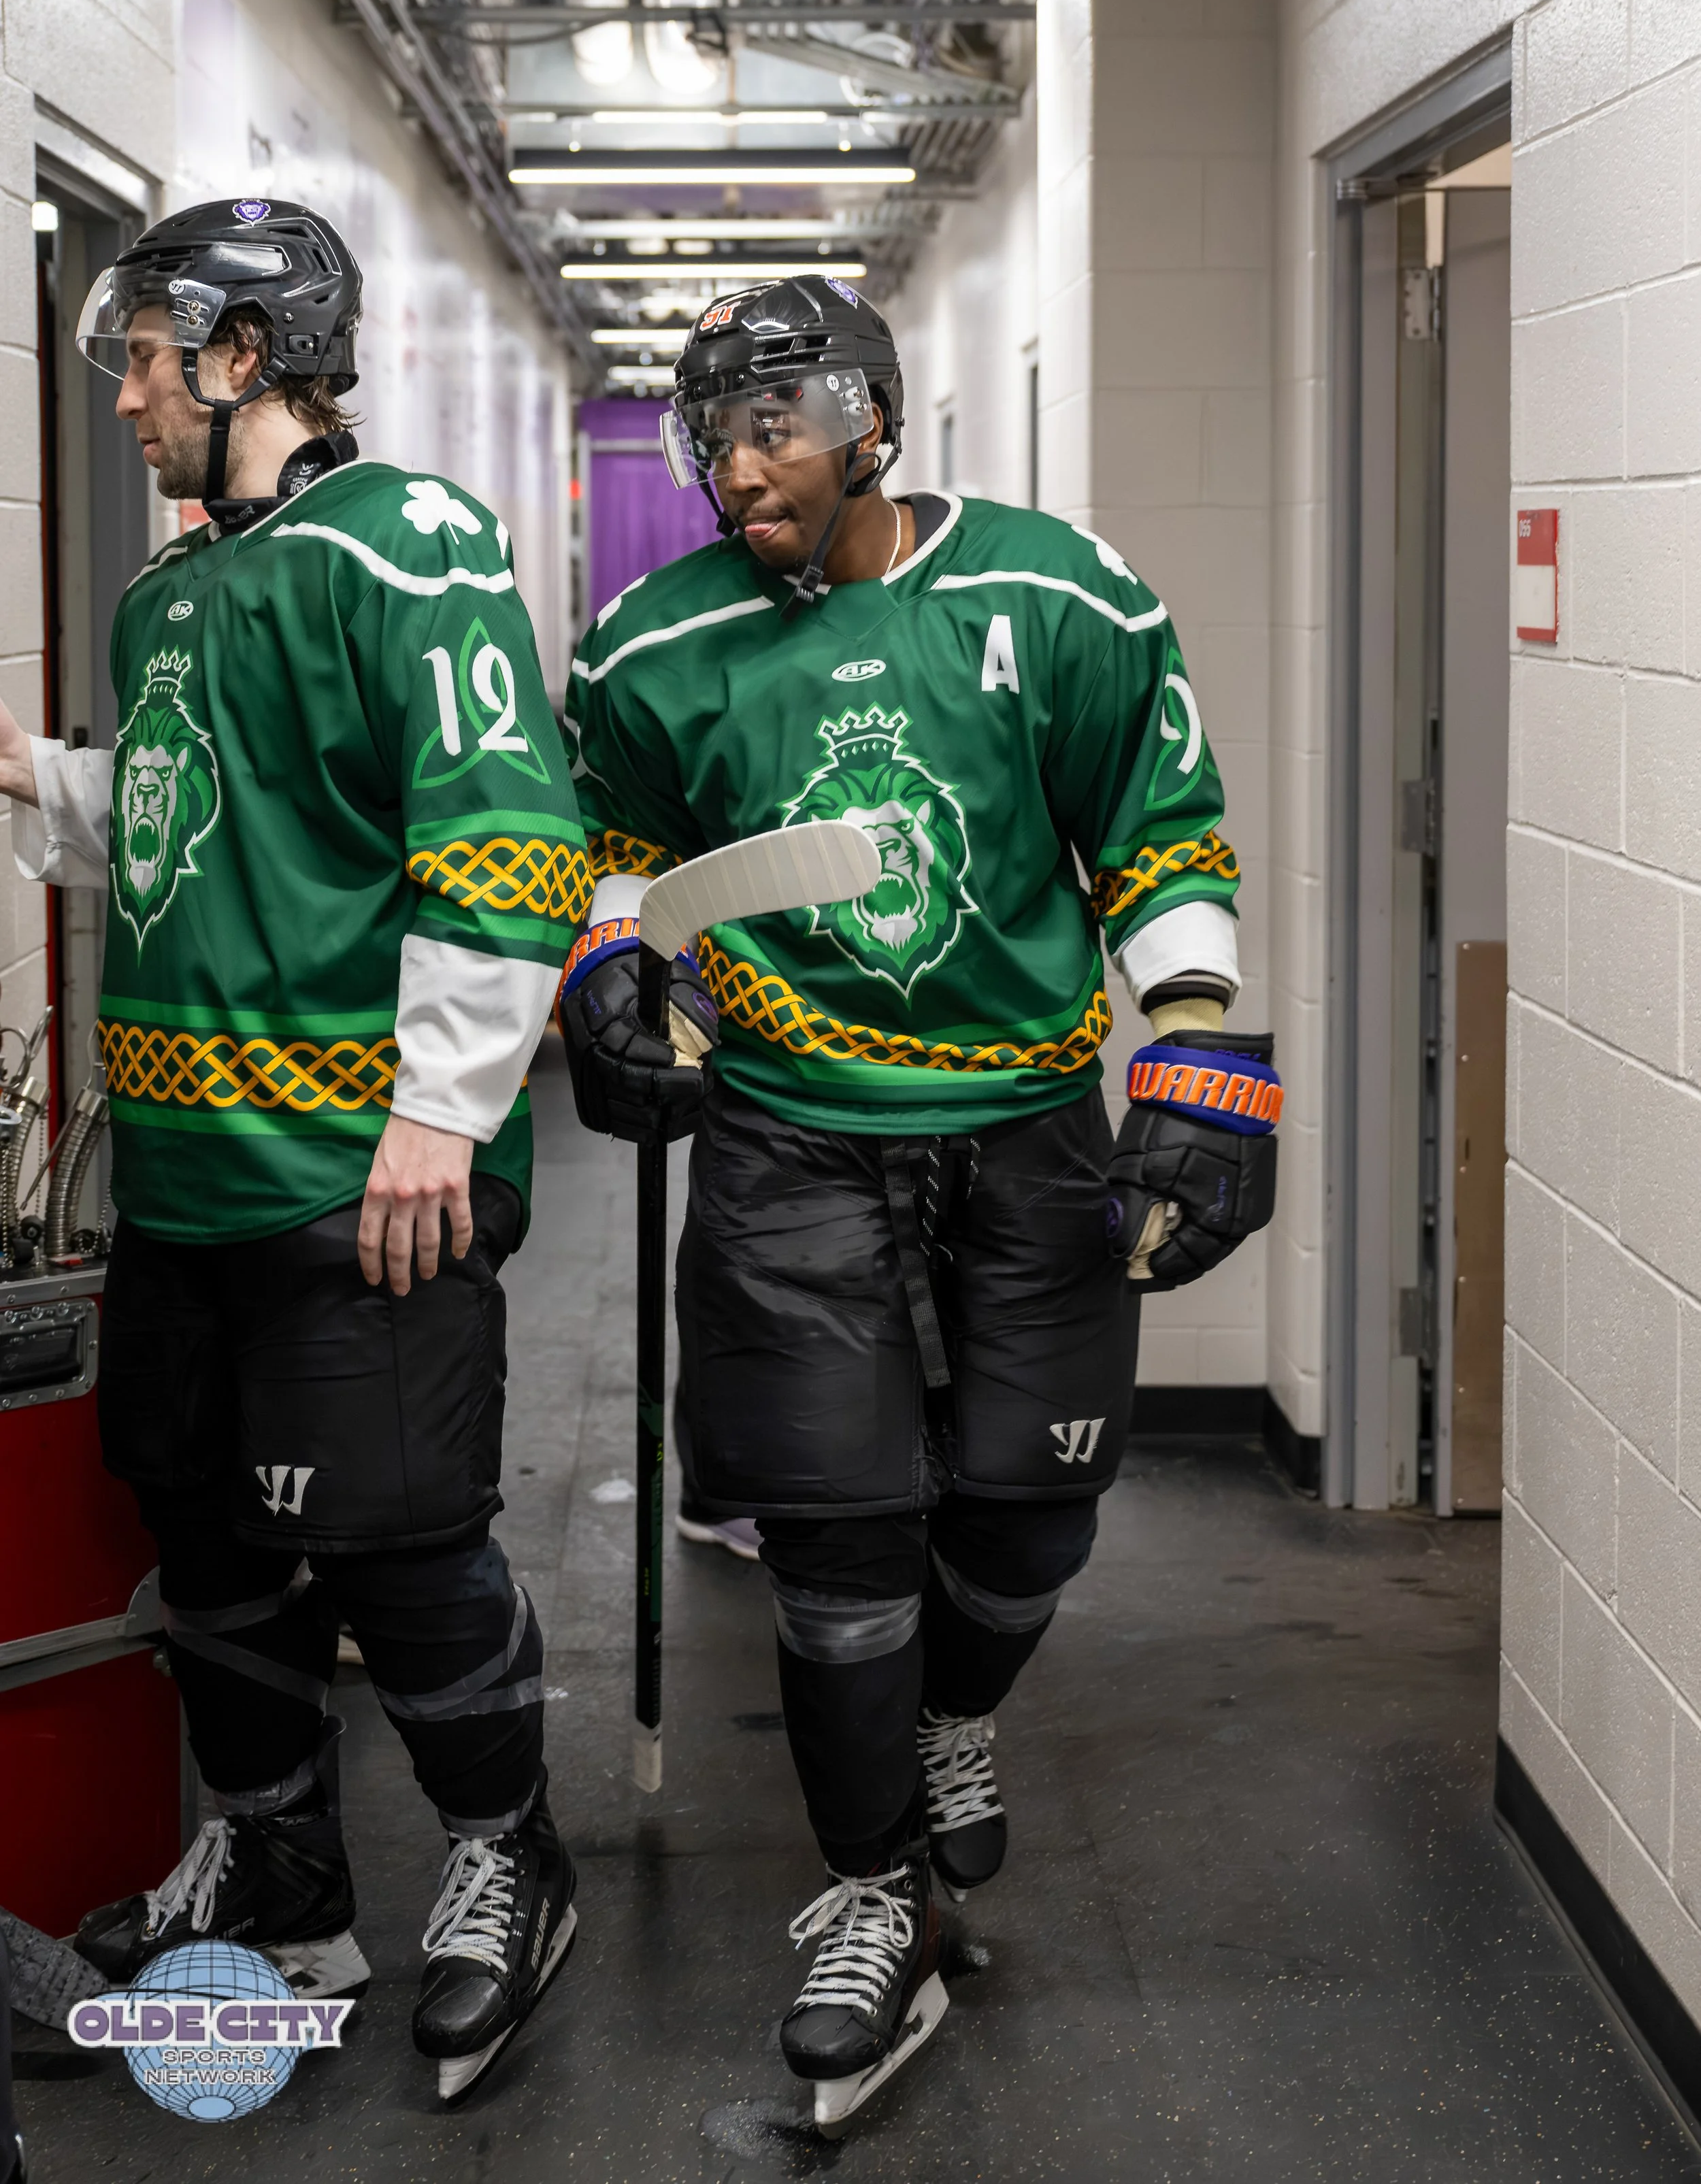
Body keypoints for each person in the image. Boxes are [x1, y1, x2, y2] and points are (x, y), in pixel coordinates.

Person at [559, 275, 1279, 2129]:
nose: (734, 468)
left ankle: (958, 1713)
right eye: (708, 436)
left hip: (1029, 1119)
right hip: (792, 1133)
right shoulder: (654, 644)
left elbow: (1158, 833)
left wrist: (1195, 1056)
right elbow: (620, 853)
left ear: (868, 418)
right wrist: (622, 976)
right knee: (832, 1545)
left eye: (770, 427)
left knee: (1025, 1521)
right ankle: (874, 1891)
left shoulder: (1055, 592)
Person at [0, 199, 588, 2104]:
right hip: (182, 1183)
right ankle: (285, 1867)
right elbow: (190, 819)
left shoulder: (408, 545)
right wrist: (39, 778)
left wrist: (443, 1106)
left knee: (402, 1545)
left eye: (148, 360)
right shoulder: (169, 590)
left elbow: (508, 832)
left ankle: (511, 1856)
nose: (125, 398)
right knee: (208, 1538)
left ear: (247, 355)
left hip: (358, 1173)